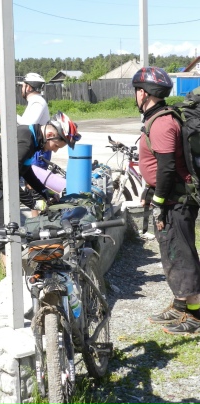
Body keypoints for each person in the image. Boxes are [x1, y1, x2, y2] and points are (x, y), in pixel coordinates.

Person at [132, 66, 200, 335]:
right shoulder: (159, 118)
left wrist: (159, 202)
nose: (136, 95)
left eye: (137, 91)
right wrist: (150, 192)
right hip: (169, 197)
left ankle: (195, 316)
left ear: (143, 93)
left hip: (176, 201)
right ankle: (181, 306)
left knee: (181, 256)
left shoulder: (161, 123)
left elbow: (167, 168)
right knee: (173, 254)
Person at [0, 111, 80, 256]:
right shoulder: (25, 142)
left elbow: (26, 172)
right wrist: (33, 203)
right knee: (6, 242)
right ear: (50, 135)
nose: (55, 150)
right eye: (56, 145)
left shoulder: (31, 137)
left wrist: (45, 192)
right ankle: (4, 271)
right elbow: (10, 180)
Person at [16, 73, 51, 217]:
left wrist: (10, 114)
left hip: (38, 149)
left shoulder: (37, 102)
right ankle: (35, 219)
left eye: (23, 86)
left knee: (33, 185)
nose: (21, 89)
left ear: (29, 87)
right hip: (36, 147)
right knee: (30, 184)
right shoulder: (35, 101)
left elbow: (28, 125)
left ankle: (38, 220)